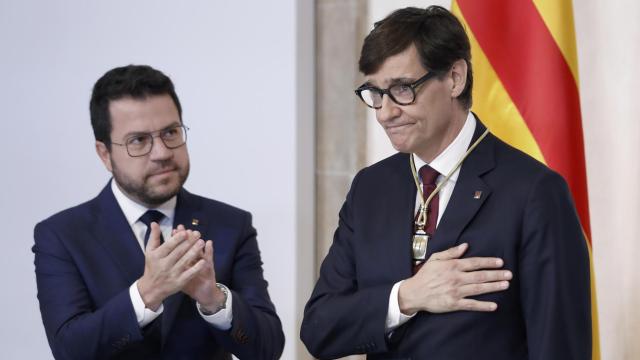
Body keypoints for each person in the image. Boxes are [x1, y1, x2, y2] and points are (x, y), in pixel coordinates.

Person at [301, 6, 590, 359]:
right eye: (375, 93)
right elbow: (319, 328)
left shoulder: (534, 192)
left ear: (455, 77)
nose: (385, 112)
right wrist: (406, 297)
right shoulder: (370, 188)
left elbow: (559, 349)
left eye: (402, 89)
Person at [33, 65, 284, 359]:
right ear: (105, 154)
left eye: (170, 132)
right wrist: (147, 293)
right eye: (138, 140)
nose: (162, 152)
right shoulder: (63, 236)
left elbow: (267, 349)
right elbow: (70, 350)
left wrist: (214, 300)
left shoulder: (231, 224)